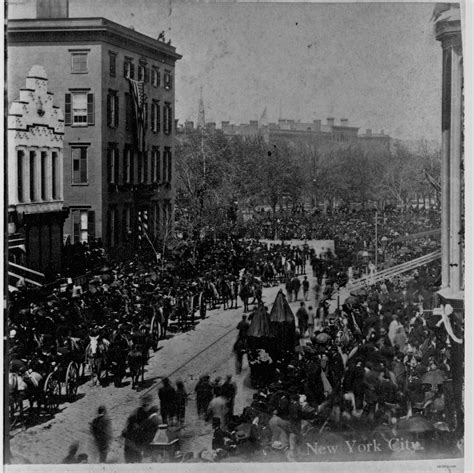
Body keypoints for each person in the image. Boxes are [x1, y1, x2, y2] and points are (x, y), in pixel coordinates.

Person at [122, 395, 153, 463]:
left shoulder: (142, 413)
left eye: (147, 405)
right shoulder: (137, 413)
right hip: (133, 439)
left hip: (135, 440)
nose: (146, 407)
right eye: (145, 405)